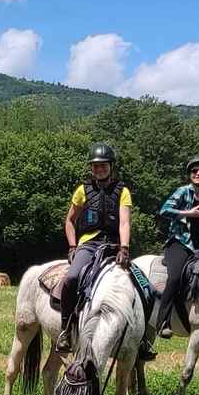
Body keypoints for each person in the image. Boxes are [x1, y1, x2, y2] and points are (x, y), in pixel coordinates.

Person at [141, 154, 199, 358]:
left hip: (198, 247)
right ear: (190, 175)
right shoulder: (182, 192)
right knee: (176, 277)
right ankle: (163, 322)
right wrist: (188, 213)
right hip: (178, 244)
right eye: (195, 171)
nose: (198, 174)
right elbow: (164, 210)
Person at [57, 143, 133, 353]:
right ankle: (66, 329)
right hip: (89, 245)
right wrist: (73, 245)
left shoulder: (123, 191)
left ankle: (143, 337)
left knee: (142, 284)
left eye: (103, 165)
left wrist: (124, 249)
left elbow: (124, 222)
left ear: (111, 166)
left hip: (114, 246)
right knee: (71, 278)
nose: (99, 169)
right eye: (95, 166)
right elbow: (70, 221)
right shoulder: (83, 190)